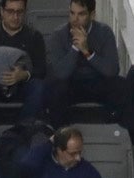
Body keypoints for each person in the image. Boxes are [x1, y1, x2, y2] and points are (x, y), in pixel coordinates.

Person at [44, 0, 127, 130]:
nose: (75, 19)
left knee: (121, 85)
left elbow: (112, 70)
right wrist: (75, 48)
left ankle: (114, 131)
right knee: (55, 87)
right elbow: (60, 73)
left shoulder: (104, 32)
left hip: (97, 81)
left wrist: (87, 52)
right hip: (70, 83)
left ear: (92, 14)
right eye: (72, 13)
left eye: (81, 14)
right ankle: (61, 135)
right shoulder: (58, 35)